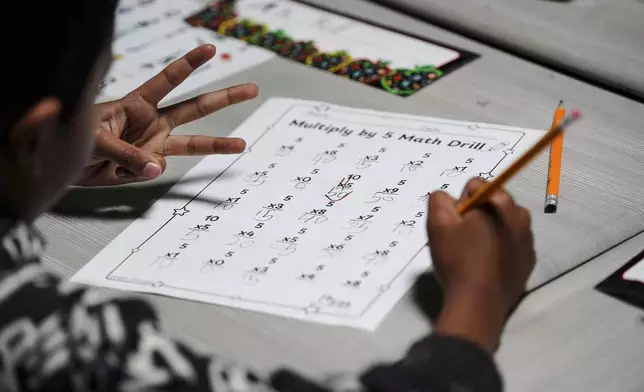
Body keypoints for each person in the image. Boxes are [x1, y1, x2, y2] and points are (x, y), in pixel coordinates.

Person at [0, 1, 536, 391]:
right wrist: (479, 298)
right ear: (33, 137)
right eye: (95, 90)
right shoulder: (38, 328)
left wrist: (41, 162)